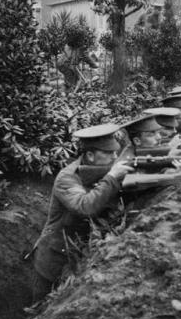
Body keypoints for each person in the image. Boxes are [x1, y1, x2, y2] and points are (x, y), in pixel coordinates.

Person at [31, 124, 133, 302]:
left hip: (83, 251)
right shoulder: (67, 178)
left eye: (115, 152)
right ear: (90, 156)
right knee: (41, 304)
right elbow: (84, 206)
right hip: (55, 257)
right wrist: (111, 178)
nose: (114, 157)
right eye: (108, 153)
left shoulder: (104, 171)